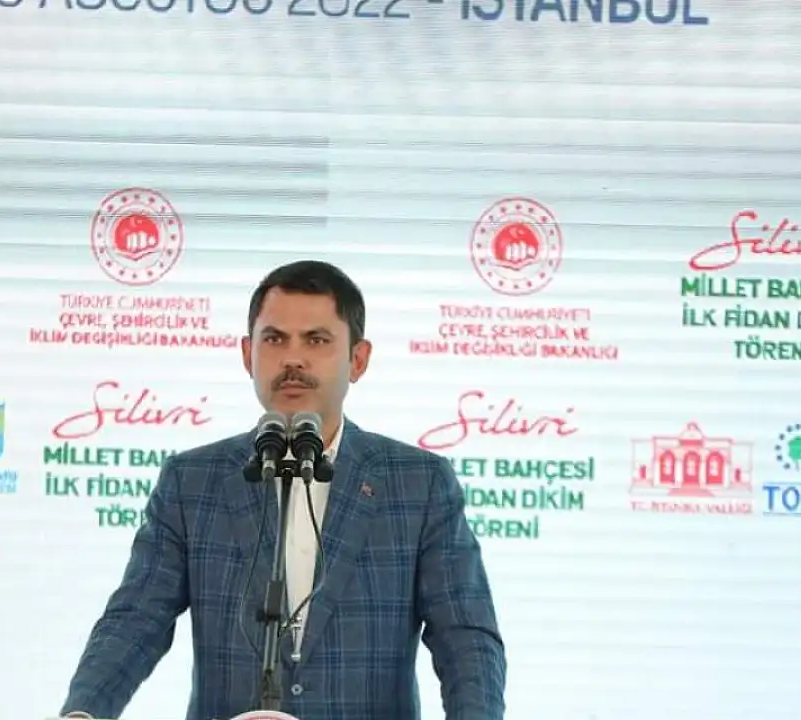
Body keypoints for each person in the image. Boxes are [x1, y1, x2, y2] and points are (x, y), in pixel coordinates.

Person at [59, 260, 506, 720]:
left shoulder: (419, 483)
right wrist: (83, 712)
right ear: (247, 354)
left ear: (358, 359)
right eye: (274, 339)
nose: (293, 359)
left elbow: (465, 637)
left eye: (316, 340)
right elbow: (137, 619)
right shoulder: (191, 481)